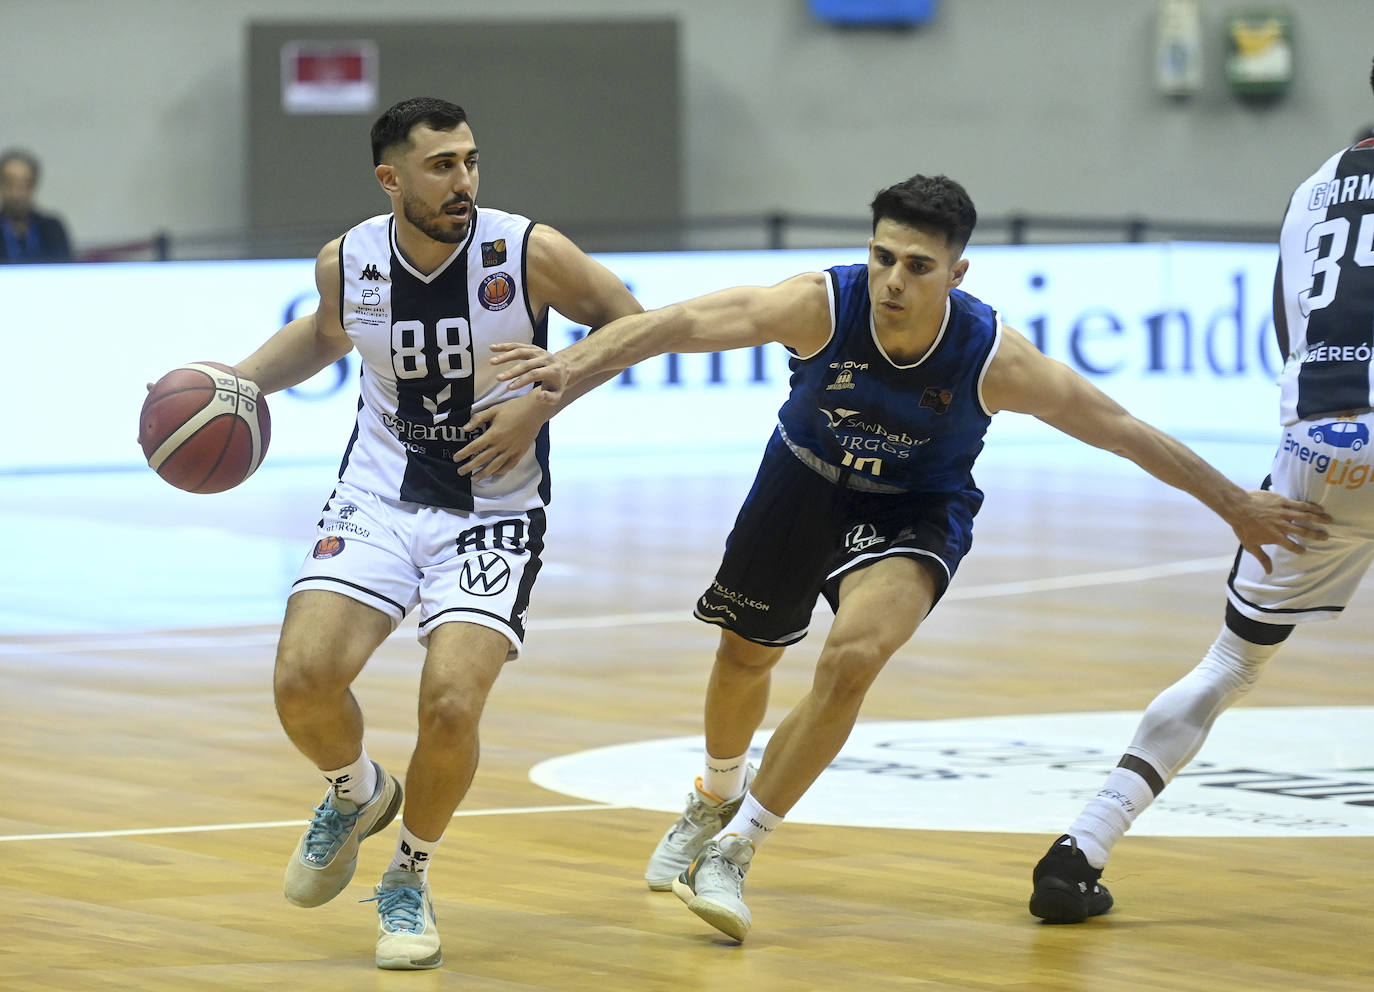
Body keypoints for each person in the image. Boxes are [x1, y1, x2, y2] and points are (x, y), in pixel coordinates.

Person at [479, 174, 1332, 942]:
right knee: (745, 657)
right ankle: (713, 795)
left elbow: (1119, 430)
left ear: (956, 274)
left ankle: (738, 850)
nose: (894, 279)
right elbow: (677, 325)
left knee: (852, 659)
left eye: (918, 266)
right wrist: (563, 368)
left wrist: (1233, 501)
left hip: (915, 509)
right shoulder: (822, 305)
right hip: (801, 480)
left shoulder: (993, 356)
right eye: (884, 257)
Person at [229, 97, 641, 970]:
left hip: (494, 507)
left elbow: (627, 321)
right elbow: (326, 336)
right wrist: (237, 384)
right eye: (441, 165)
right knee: (303, 680)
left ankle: (408, 875)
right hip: (379, 491)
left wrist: (543, 399)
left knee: (450, 702)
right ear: (392, 178)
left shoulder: (527, 250)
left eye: (470, 161)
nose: (463, 181)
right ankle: (355, 793)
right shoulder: (351, 260)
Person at [1026, 58, 1374, 925]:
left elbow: (1288, 329)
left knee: (1230, 665)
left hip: (1316, 456)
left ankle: (1079, 849)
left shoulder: (1312, 189)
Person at [0, 148, 72, 263]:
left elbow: (66, 272)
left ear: (34, 185)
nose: (16, 192)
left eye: (24, 183)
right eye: (10, 183)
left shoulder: (52, 229)